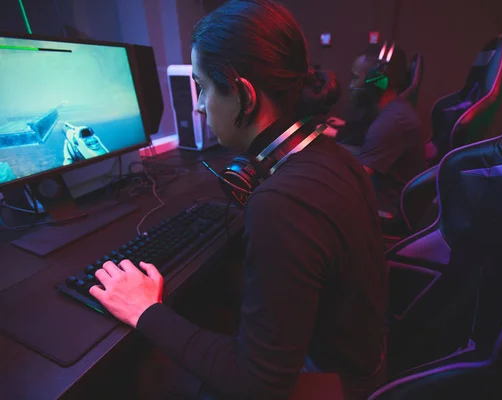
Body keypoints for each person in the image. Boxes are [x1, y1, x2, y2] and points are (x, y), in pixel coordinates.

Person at [88, 1, 388, 399]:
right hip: (364, 357)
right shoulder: (332, 155)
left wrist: (145, 310)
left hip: (336, 384)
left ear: (244, 94)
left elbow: (257, 383)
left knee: (146, 370)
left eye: (203, 87)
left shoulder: (282, 204)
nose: (197, 104)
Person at [327, 46, 426, 235]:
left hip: (385, 211)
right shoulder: (393, 111)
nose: (350, 86)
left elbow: (356, 176)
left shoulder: (391, 121)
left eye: (356, 78)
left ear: (377, 82)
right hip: (384, 195)